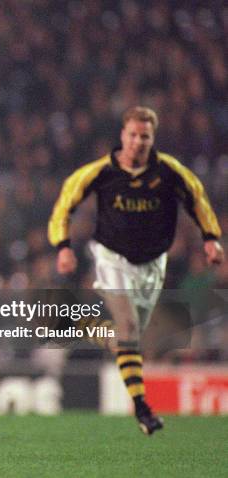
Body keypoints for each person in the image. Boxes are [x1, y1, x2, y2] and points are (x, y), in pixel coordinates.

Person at [48, 106, 224, 435]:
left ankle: (78, 324)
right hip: (111, 257)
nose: (138, 142)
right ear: (122, 136)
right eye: (133, 135)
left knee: (126, 341)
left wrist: (211, 239)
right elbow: (65, 203)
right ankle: (142, 407)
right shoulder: (101, 172)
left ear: (152, 138)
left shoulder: (170, 172)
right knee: (128, 328)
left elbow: (197, 200)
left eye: (145, 136)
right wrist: (63, 246)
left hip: (153, 264)